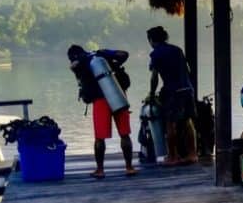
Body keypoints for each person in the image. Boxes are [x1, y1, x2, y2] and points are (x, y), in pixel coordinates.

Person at [68, 44, 137, 179]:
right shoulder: (101, 57)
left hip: (100, 101)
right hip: (118, 95)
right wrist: (107, 52)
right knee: (125, 134)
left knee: (99, 138)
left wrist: (81, 60)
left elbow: (73, 67)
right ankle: (129, 167)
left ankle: (100, 170)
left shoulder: (82, 62)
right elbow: (124, 54)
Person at [146, 26, 198, 165]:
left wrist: (151, 94)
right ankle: (192, 154)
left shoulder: (155, 54)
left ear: (151, 40)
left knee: (171, 123)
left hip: (172, 92)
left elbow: (154, 77)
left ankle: (173, 157)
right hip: (187, 89)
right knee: (187, 122)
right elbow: (187, 70)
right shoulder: (177, 50)